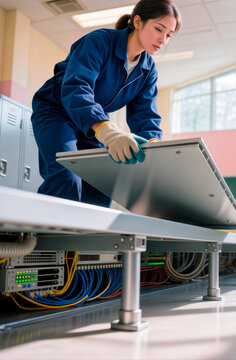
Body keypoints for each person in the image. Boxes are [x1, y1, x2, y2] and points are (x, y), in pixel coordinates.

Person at [31, 0, 181, 207]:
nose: (162, 39)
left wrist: (153, 147)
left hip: (91, 122)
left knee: (101, 186)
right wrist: (107, 131)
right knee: (65, 177)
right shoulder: (99, 41)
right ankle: (45, 236)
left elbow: (145, 114)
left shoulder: (148, 69)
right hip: (57, 110)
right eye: (158, 29)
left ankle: (87, 239)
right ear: (138, 21)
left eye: (169, 35)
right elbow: (76, 88)